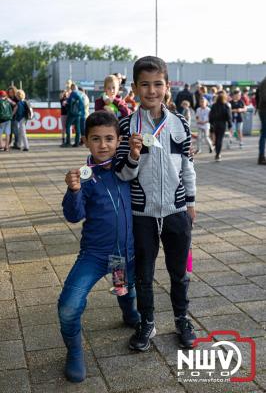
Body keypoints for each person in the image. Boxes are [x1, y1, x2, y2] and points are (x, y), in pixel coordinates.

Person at [116, 56, 197, 351]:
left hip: (176, 211)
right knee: (144, 275)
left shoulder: (181, 124)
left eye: (158, 84)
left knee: (179, 272)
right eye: (145, 84)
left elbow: (188, 166)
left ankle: (181, 319)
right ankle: (147, 322)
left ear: (167, 86)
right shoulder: (126, 125)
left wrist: (190, 202)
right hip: (142, 214)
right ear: (135, 88)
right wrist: (134, 155)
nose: (152, 90)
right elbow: (122, 174)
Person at [58, 111, 140, 383]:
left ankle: (129, 314)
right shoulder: (84, 177)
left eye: (109, 139)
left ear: (119, 141)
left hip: (122, 257)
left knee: (124, 289)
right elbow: (73, 215)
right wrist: (73, 191)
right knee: (68, 307)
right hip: (93, 256)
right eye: (96, 139)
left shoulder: (127, 169)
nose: (103, 145)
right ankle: (75, 352)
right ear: (85, 141)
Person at [209, 91, 232, 161]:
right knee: (220, 139)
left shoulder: (213, 105)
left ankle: (217, 152)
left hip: (215, 124)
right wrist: (230, 125)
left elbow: (211, 116)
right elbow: (228, 116)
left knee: (216, 139)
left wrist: (211, 123)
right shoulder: (226, 106)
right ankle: (218, 154)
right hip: (222, 124)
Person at [63, 83, 84, 147]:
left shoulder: (72, 94)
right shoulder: (81, 94)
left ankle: (68, 142)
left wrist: (65, 103)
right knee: (77, 128)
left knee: (67, 126)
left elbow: (69, 103)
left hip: (72, 113)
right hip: (79, 114)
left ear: (72, 88)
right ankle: (77, 143)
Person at [256, 78, 266, 164]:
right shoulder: (264, 82)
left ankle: (262, 156)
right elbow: (264, 97)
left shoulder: (263, 81)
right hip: (264, 110)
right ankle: (261, 157)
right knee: (264, 134)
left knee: (264, 133)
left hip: (262, 110)